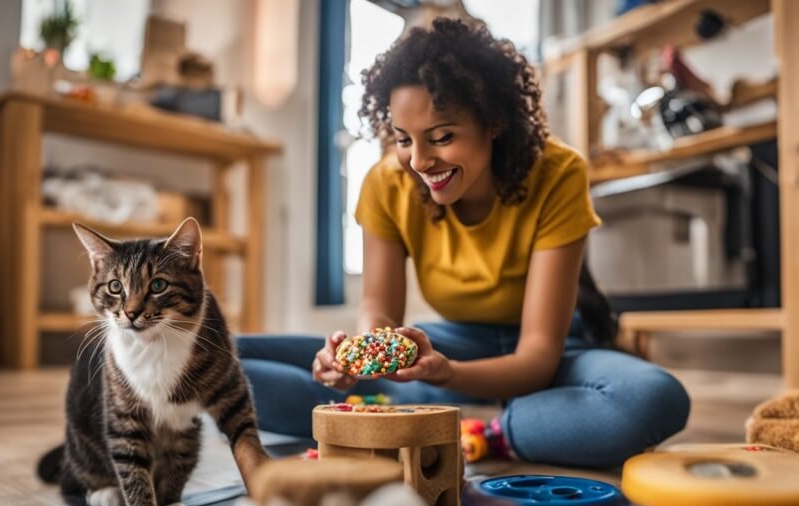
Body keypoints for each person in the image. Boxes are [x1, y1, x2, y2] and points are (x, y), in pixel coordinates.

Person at [236, 18, 689, 468]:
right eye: (403, 139)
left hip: (552, 355)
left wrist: (448, 373)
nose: (418, 161)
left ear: (493, 122)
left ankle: (481, 432)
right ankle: (412, 401)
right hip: (455, 344)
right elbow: (379, 313)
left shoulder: (558, 173)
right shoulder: (387, 184)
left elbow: (536, 356)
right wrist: (357, 359)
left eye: (442, 137)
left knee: (653, 398)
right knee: (219, 354)